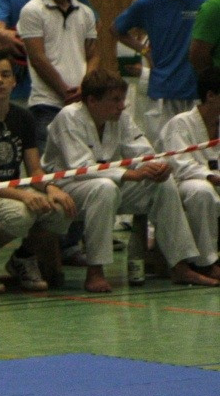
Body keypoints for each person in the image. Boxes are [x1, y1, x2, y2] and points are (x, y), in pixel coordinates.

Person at [44, 69, 215, 292]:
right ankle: (95, 271)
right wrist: (132, 174)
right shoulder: (69, 117)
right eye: (115, 100)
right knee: (104, 188)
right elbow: (81, 167)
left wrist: (156, 167)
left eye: (122, 99)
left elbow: (142, 152)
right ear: (92, 100)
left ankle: (179, 265)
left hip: (108, 183)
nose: (122, 106)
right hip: (65, 187)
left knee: (161, 184)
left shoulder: (119, 118)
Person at [0, 49, 74, 291]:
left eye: (5, 75)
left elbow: (35, 170)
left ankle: (23, 258)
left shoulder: (23, 118)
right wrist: (24, 195)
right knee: (21, 214)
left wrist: (51, 188)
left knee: (61, 208)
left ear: (14, 81)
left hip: (12, 189)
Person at [113, 0, 210, 146]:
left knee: (196, 151)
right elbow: (117, 29)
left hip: (195, 91)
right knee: (163, 152)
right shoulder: (147, 3)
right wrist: (145, 51)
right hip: (161, 93)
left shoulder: (204, 3)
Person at [15, 0, 97, 129]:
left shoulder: (86, 13)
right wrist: (65, 92)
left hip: (82, 104)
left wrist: (85, 88)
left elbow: (93, 55)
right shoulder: (32, 10)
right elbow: (37, 58)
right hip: (46, 105)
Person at [158, 66, 220, 274]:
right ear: (211, 96)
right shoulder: (180, 123)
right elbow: (180, 165)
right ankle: (207, 263)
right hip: (182, 185)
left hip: (215, 181)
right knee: (201, 191)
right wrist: (210, 176)